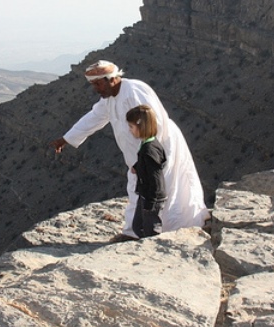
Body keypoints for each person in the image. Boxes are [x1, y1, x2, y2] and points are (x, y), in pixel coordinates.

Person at [50, 60, 209, 239]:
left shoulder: (134, 92)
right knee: (139, 189)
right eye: (93, 84)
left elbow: (154, 125)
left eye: (98, 83)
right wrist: (66, 139)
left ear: (111, 79)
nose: (95, 88)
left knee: (167, 189)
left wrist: (146, 159)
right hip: (139, 156)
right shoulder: (110, 98)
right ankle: (136, 232)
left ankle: (173, 231)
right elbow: (94, 118)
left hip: (159, 150)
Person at [126, 105, 166, 238]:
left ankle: (154, 251)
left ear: (141, 127)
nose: (129, 130)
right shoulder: (149, 144)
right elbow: (161, 161)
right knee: (138, 226)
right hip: (145, 195)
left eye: (131, 127)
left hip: (151, 198)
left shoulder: (149, 150)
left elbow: (155, 178)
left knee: (151, 230)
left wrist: (151, 202)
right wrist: (137, 167)